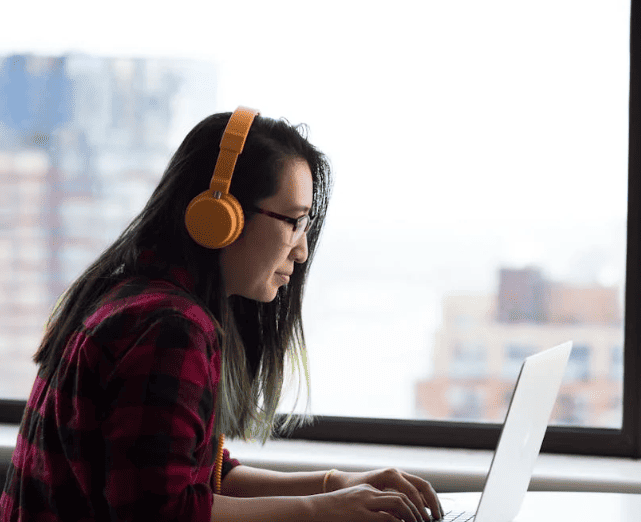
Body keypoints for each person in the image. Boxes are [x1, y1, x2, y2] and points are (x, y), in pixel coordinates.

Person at [0, 107, 444, 522]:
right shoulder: (168, 327)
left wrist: (337, 485)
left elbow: (202, 473)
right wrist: (322, 510)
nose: (303, 250)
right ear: (220, 214)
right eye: (293, 221)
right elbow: (164, 511)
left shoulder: (134, 297)